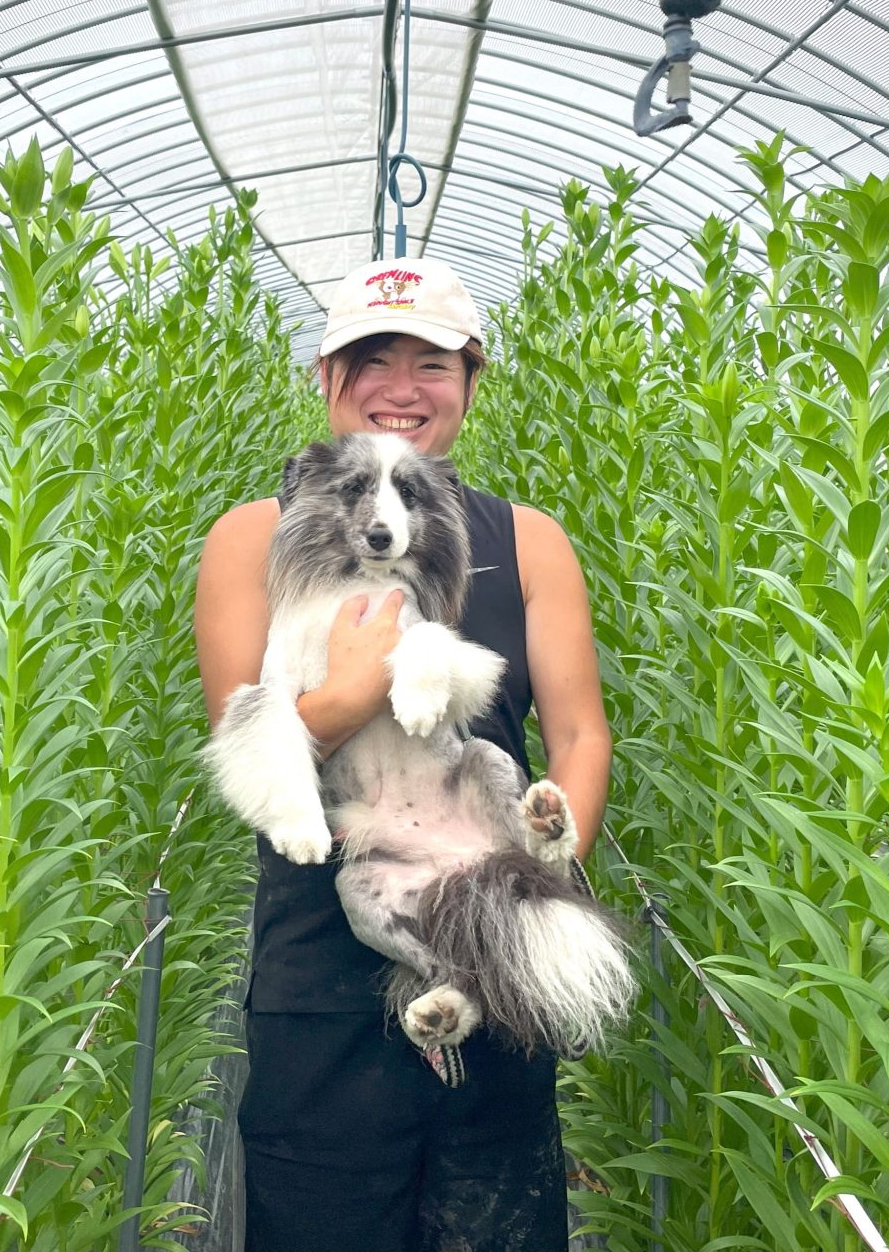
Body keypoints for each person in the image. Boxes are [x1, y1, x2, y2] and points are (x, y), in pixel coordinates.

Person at [193, 255, 613, 1252]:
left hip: (491, 964)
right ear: (324, 378)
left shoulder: (527, 542)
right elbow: (246, 745)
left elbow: (580, 732)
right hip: (317, 989)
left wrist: (541, 877)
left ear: (471, 379)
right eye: (370, 359)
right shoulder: (253, 539)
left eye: (430, 361)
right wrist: (344, 688)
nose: (399, 388)